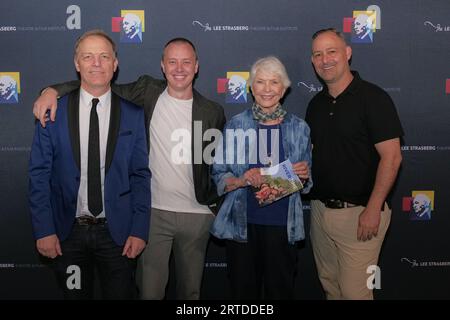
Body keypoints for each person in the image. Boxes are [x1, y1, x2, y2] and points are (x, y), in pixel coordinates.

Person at [33, 37, 225, 300]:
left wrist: (215, 205)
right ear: (162, 65)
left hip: (130, 228)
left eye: (186, 62)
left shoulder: (211, 111)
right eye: (172, 62)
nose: (179, 68)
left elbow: (213, 165)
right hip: (79, 229)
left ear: (197, 66)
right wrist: (50, 90)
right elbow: (95, 82)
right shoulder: (144, 93)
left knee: (187, 294)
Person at [28, 30, 151, 299]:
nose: (96, 63)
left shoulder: (133, 114)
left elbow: (140, 175)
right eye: (88, 56)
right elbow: (39, 175)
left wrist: (140, 229)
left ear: (115, 64)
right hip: (67, 234)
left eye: (104, 56)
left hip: (117, 235)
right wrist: (44, 229)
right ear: (77, 63)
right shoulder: (53, 112)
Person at [305, 28, 403, 300]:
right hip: (320, 212)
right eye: (318, 54)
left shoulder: (374, 98)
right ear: (313, 62)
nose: (325, 59)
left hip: (360, 215)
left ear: (348, 53)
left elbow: (392, 157)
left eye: (332, 51)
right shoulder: (315, 105)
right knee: (331, 288)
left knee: (355, 294)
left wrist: (373, 208)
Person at [211, 56, 312, 299]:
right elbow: (219, 175)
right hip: (243, 227)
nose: (267, 89)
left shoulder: (300, 128)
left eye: (274, 83)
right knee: (243, 295)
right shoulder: (237, 125)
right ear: (251, 87)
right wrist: (243, 179)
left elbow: (308, 184)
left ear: (284, 88)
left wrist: (305, 175)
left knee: (281, 292)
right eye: (260, 82)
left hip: (283, 227)